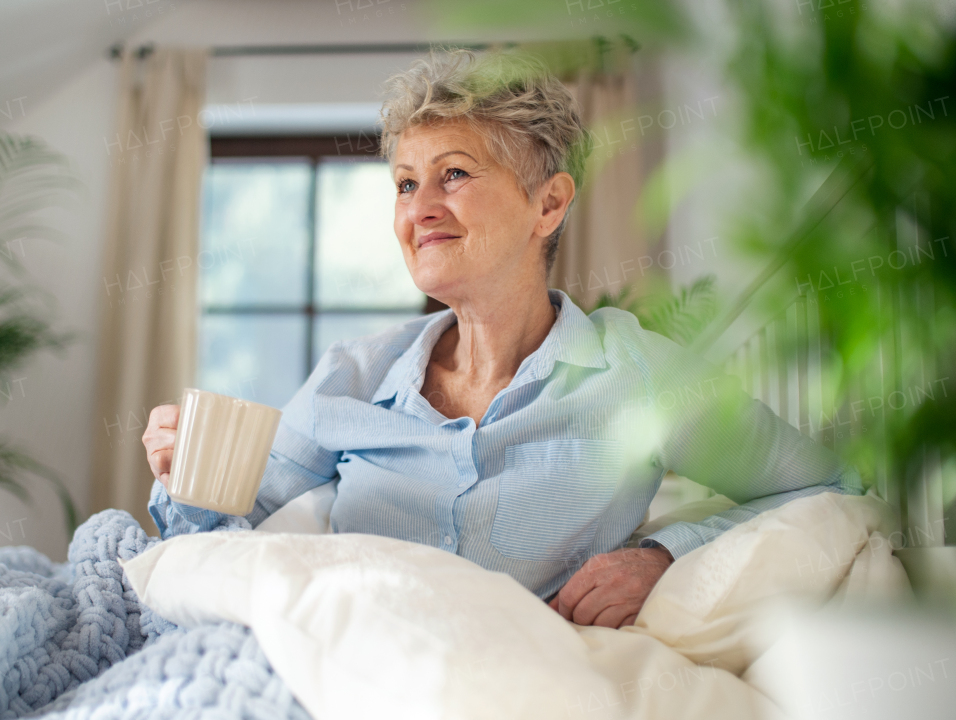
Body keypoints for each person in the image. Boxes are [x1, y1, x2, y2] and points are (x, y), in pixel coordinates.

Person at [142, 49, 862, 629]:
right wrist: (185, 473)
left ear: (547, 204)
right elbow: (224, 534)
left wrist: (666, 555)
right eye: (403, 184)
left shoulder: (638, 374)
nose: (419, 209)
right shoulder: (352, 377)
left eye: (453, 175)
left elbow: (825, 490)